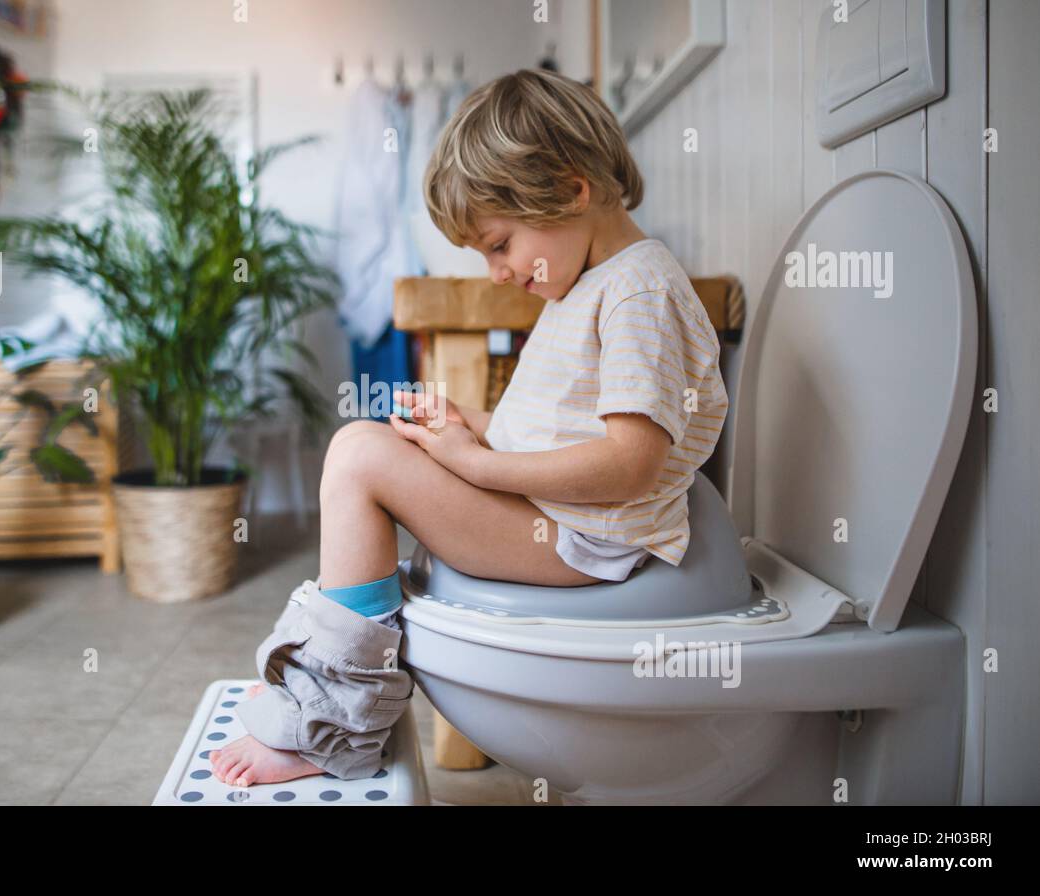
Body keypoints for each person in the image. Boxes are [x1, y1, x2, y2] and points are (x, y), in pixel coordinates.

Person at [209, 68, 729, 788]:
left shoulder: (637, 293)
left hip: (581, 541)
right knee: (370, 442)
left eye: (498, 244)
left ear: (572, 190)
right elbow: (563, 428)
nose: (495, 273)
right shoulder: (596, 281)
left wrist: (478, 466)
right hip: (563, 521)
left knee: (358, 456)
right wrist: (470, 426)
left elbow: (630, 463)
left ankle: (329, 729)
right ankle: (321, 687)